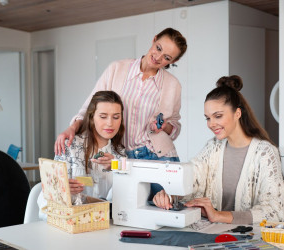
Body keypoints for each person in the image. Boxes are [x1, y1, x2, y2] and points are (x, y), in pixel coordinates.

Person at [54, 28, 187, 194]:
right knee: (129, 210)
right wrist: (72, 128)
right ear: (154, 40)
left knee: (167, 207)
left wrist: (165, 126)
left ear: (171, 61)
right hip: (123, 155)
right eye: (159, 48)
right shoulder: (116, 69)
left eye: (167, 57)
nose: (158, 57)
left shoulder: (173, 85)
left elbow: (175, 128)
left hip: (159, 157)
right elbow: (90, 106)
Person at [153, 75, 284, 225]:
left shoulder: (265, 153)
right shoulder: (212, 148)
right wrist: (169, 194)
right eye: (208, 118)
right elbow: (192, 176)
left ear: (237, 113)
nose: (211, 124)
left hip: (249, 238)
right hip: (214, 234)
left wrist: (218, 215)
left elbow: (273, 211)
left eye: (218, 116)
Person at [38, 91, 126, 219]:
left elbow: (125, 199)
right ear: (91, 117)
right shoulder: (70, 147)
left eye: (116, 117)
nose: (110, 123)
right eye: (103, 116)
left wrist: (116, 167)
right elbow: (47, 195)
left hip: (103, 225)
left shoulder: (120, 154)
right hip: (70, 224)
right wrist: (62, 191)